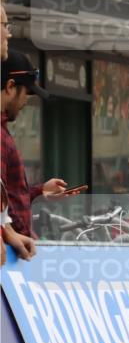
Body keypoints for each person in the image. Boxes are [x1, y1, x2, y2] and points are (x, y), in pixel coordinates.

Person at [1, 50, 83, 238]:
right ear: (10, 86)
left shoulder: (3, 131)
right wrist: (15, 234)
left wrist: (39, 192)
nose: (25, 102)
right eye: (27, 93)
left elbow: (7, 198)